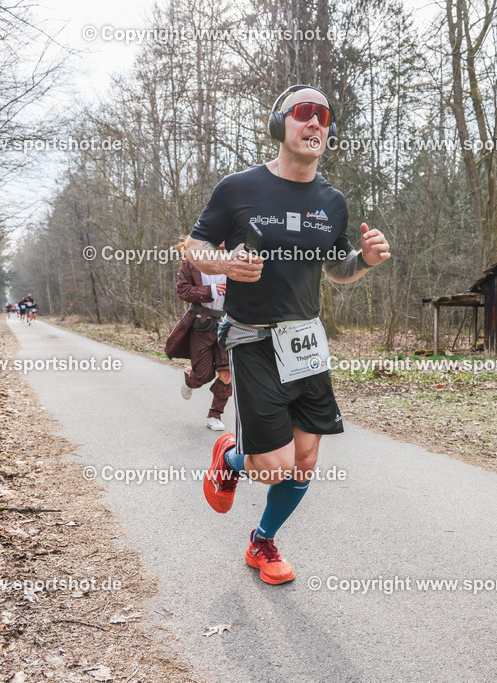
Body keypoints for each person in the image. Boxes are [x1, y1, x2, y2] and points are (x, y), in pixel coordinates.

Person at [185, 84, 390, 584]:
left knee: (304, 460)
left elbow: (336, 269)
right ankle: (232, 458)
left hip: (306, 341)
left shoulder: (332, 201)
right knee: (271, 466)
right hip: (252, 337)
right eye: (303, 113)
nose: (314, 123)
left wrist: (364, 260)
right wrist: (225, 263)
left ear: (330, 132)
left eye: (323, 117)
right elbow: (192, 246)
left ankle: (263, 542)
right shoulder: (238, 188)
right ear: (281, 124)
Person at [164, 244, 232, 431]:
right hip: (202, 324)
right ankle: (189, 378)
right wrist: (210, 290)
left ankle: (215, 415)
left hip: (229, 324)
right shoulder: (192, 262)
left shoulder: (236, 260)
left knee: (227, 372)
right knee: (203, 375)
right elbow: (183, 291)